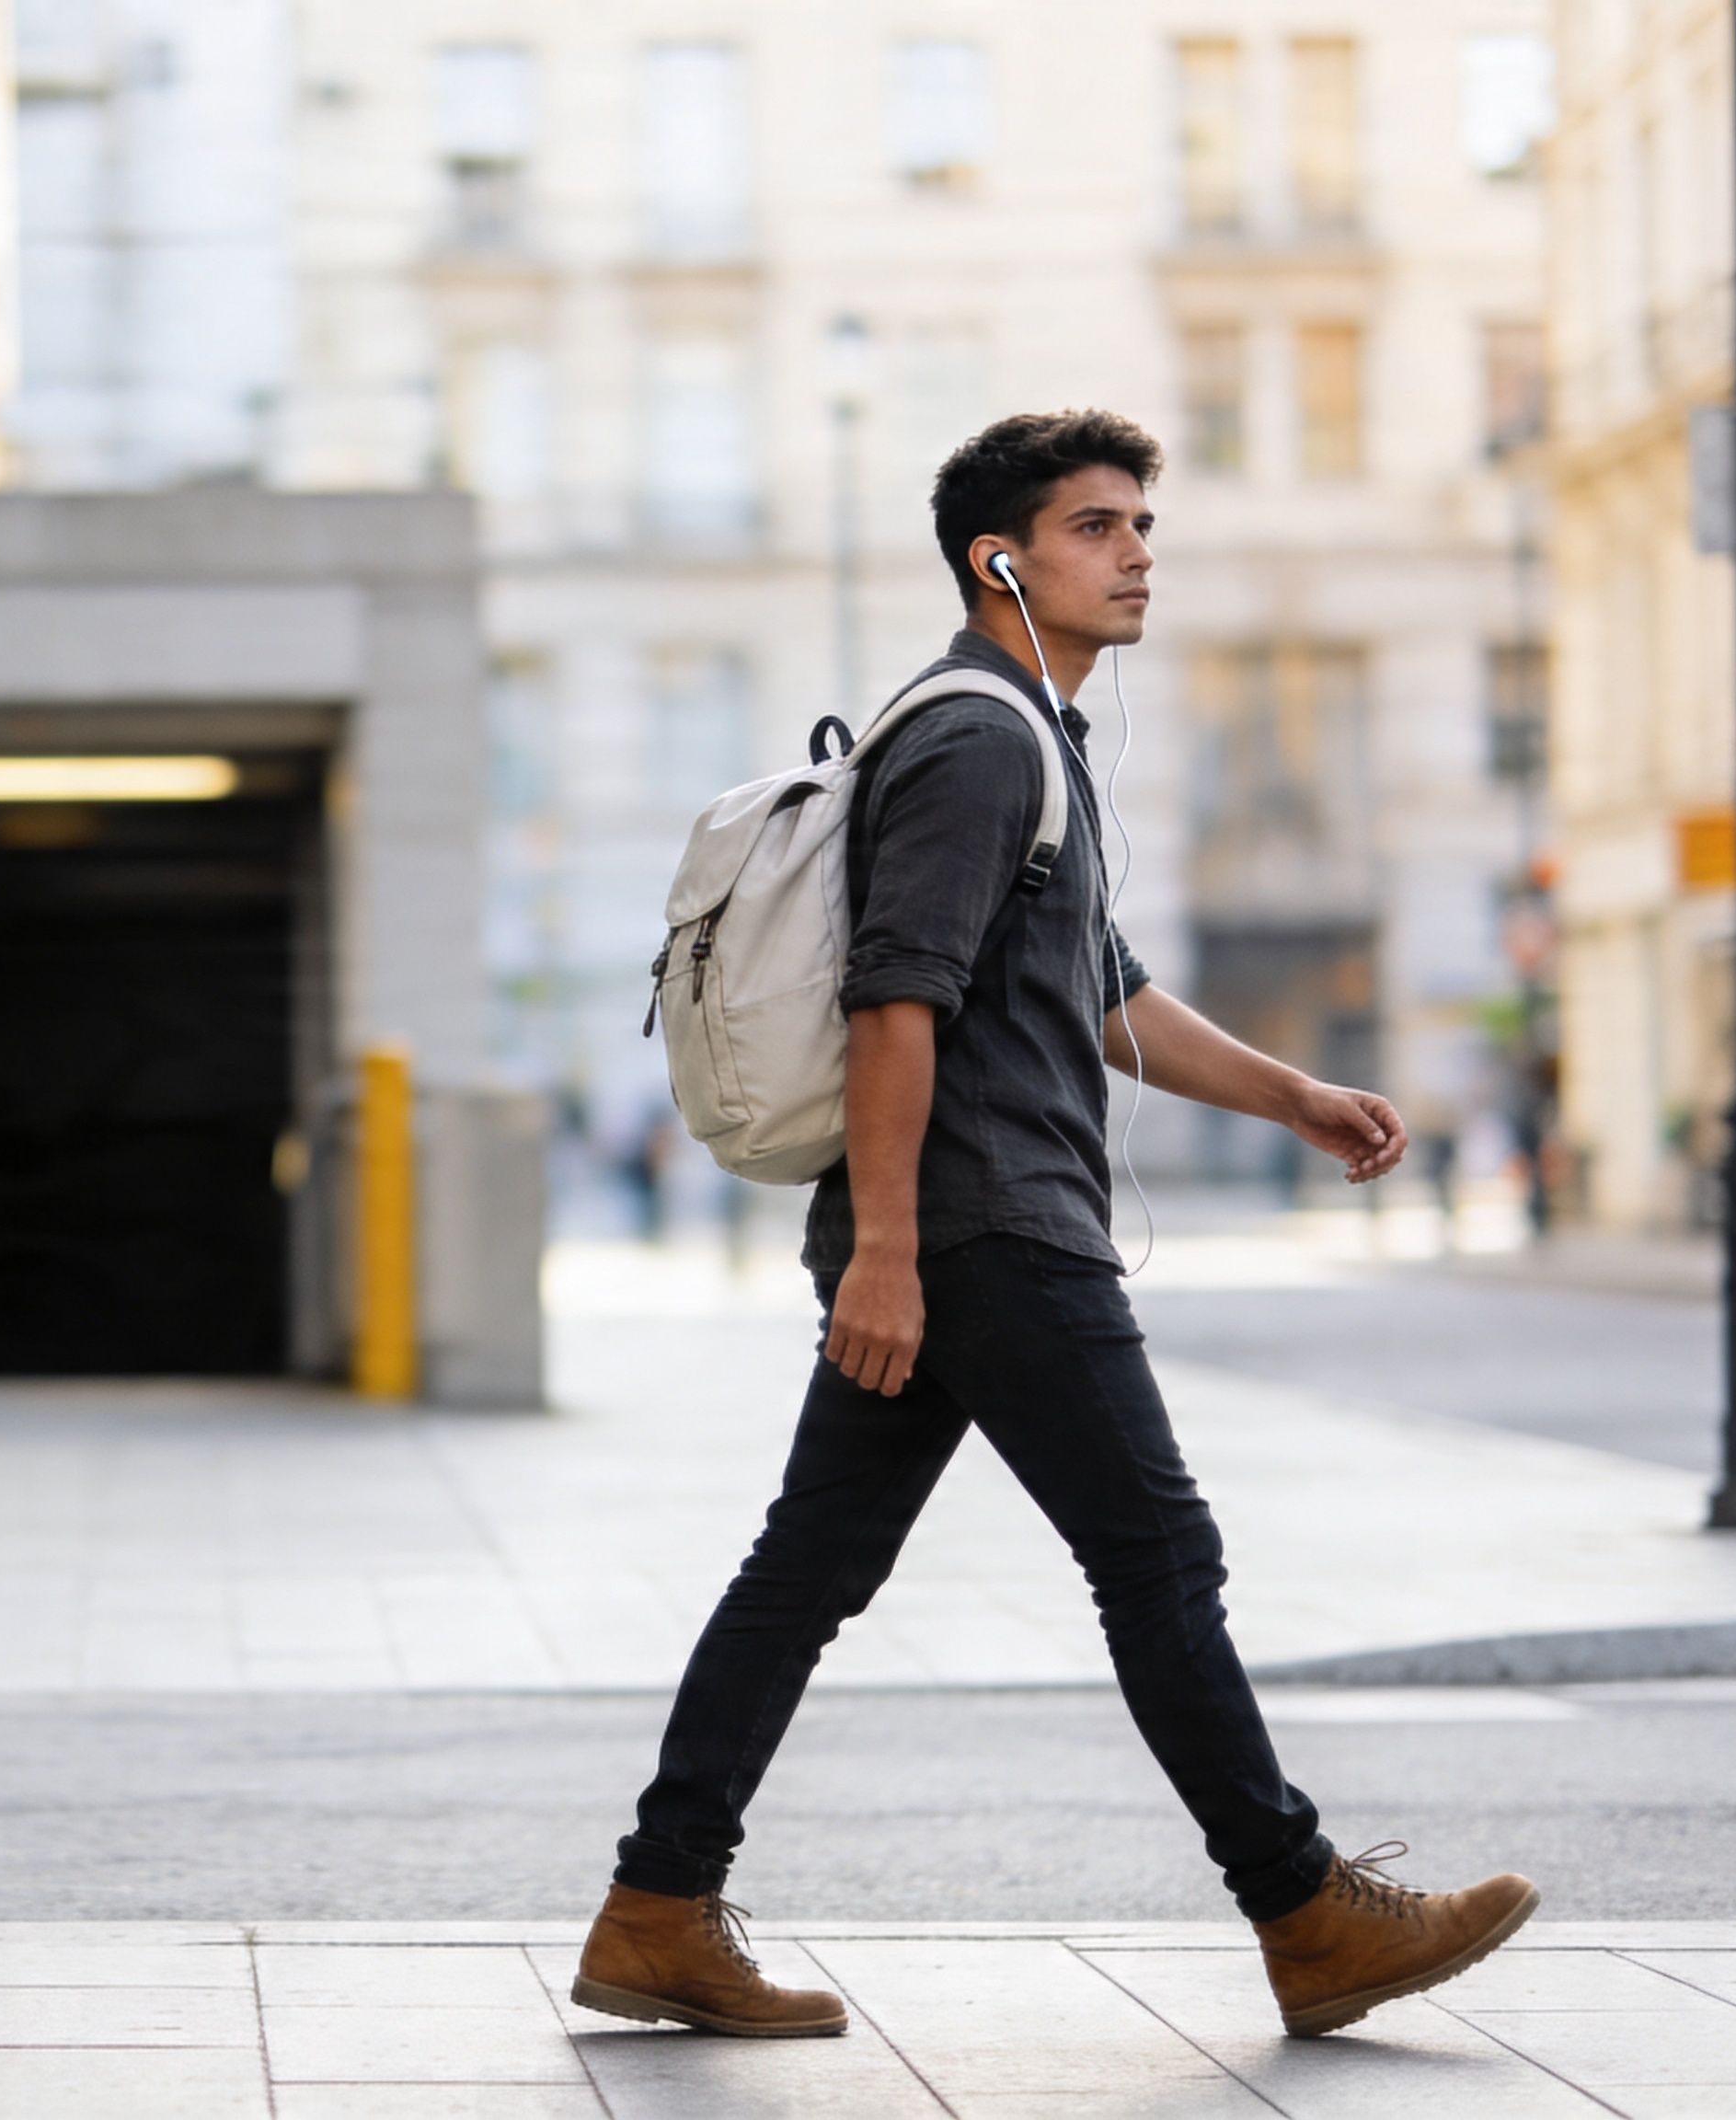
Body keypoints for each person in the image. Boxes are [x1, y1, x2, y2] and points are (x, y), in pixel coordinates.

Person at [571, 411, 1536, 2043]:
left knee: (808, 1569)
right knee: (1159, 1555)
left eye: (1143, 524)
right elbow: (896, 1000)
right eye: (1100, 527)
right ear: (1000, 558)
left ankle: (657, 1908)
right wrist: (885, 1247)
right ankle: (1304, 1912)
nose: (1139, 552)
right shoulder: (982, 738)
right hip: (983, 1235)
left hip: (952, 1227)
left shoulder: (1035, 735)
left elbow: (1102, 995)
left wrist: (1296, 1097)